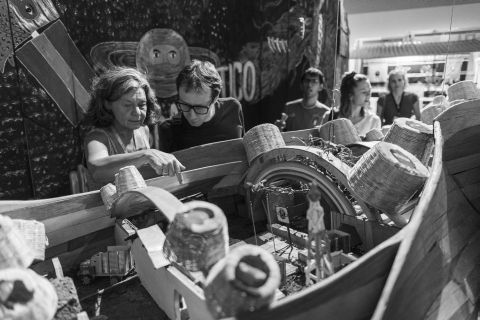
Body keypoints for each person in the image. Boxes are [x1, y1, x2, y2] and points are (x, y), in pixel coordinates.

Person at [83, 67, 184, 188]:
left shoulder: (143, 130)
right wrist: (145, 155)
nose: (137, 112)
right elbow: (97, 170)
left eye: (142, 104)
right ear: (107, 104)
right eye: (127, 105)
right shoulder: (97, 138)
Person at [158, 60, 244, 152]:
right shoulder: (169, 130)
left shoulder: (232, 109)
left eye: (199, 107)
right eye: (185, 105)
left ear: (215, 98)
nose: (192, 116)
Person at [322, 71, 381, 137]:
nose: (368, 95)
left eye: (369, 91)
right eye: (364, 92)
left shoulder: (374, 121)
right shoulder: (329, 116)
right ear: (350, 95)